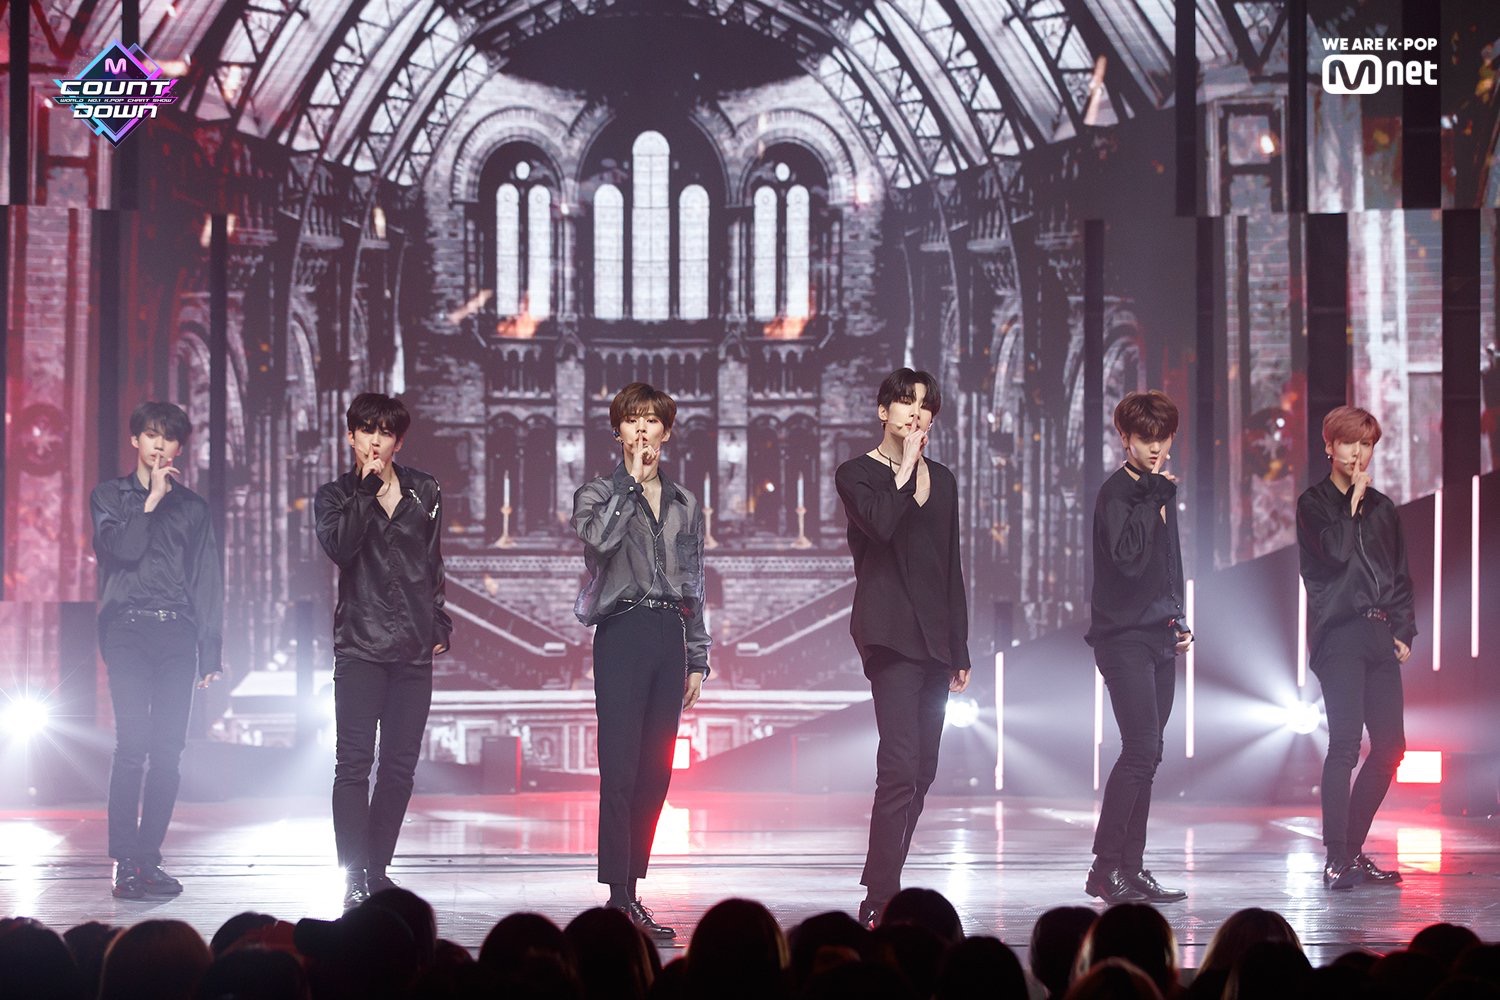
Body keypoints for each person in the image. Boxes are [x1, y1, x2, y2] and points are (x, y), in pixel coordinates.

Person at [572, 382, 709, 940]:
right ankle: (618, 896)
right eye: (632, 420)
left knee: (656, 772)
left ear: (666, 432)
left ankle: (632, 889)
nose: (642, 429)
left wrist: (697, 654)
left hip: (668, 633)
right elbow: (599, 544)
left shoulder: (685, 503)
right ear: (619, 431)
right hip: (622, 632)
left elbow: (694, 581)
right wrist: (628, 484)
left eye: (652, 420)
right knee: (621, 768)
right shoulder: (596, 494)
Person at [835, 368, 971, 930]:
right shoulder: (857, 474)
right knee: (898, 765)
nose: (916, 413)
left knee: (924, 769)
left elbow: (950, 565)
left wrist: (960, 647)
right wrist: (908, 466)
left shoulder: (945, 480)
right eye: (905, 402)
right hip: (890, 636)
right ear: (883, 411)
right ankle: (881, 894)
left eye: (924, 406)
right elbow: (882, 527)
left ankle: (885, 877)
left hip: (935, 642)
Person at [315, 392, 451, 909]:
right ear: (350, 436)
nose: (375, 441)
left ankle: (377, 869)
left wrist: (439, 620)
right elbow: (341, 548)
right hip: (360, 646)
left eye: (386, 432)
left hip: (413, 649)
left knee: (398, 768)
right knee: (353, 765)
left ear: (399, 441)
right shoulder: (335, 496)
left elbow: (432, 561)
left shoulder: (425, 490)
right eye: (366, 431)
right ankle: (353, 876)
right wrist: (367, 491)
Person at [90, 401, 223, 899]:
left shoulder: (194, 509)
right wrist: (149, 503)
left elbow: (207, 580)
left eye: (168, 437)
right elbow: (120, 550)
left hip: (177, 634)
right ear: (136, 440)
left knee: (169, 752)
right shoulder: (109, 497)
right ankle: (124, 861)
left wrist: (210, 649)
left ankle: (148, 859)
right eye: (150, 434)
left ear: (179, 447)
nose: (159, 444)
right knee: (132, 746)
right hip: (127, 631)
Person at [1297, 405, 1415, 890]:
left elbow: (1399, 573)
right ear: (1329, 446)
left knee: (1391, 746)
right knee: (1345, 744)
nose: (1357, 453)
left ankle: (1352, 850)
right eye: (1349, 443)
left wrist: (1404, 629)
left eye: (1366, 444)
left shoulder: (1383, 508)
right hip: (1338, 633)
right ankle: (1335, 858)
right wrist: (1352, 501)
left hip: (1378, 633)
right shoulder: (1314, 504)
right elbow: (1335, 551)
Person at [1084, 390, 1191, 904]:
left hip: (1158, 635)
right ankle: (1105, 868)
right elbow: (1127, 560)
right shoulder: (1119, 493)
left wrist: (1178, 617)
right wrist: (1153, 498)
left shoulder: (1157, 491)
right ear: (1125, 439)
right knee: (1140, 748)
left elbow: (1167, 563)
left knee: (1152, 752)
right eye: (1145, 438)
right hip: (1122, 637)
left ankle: (1132, 866)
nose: (1155, 448)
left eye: (1162, 438)